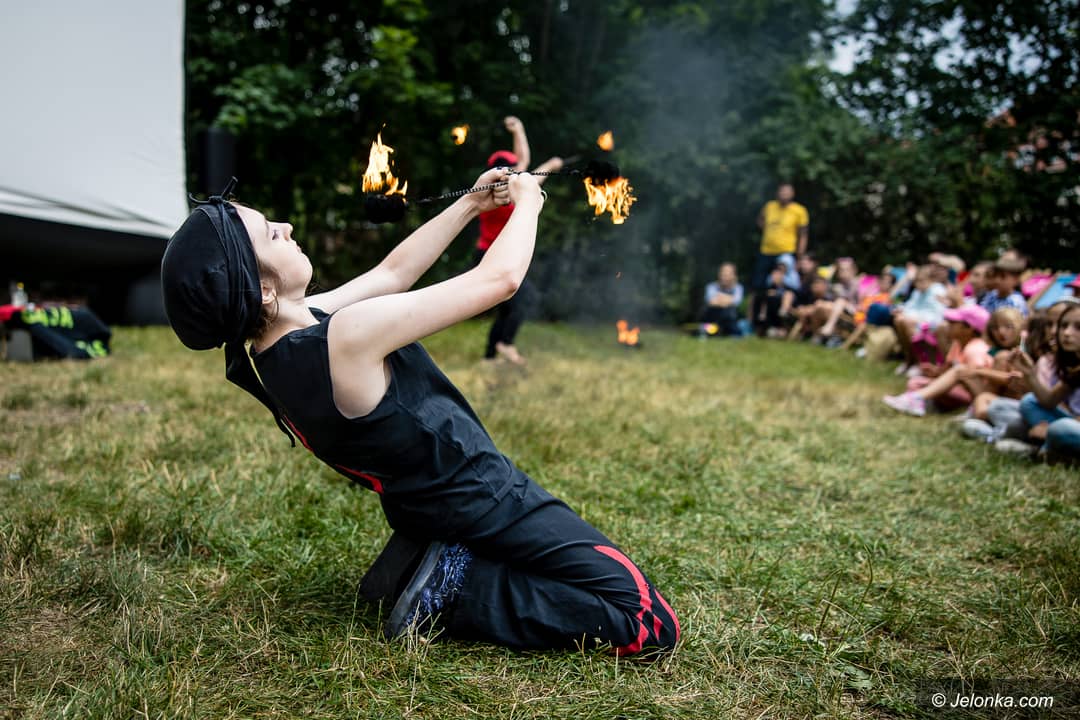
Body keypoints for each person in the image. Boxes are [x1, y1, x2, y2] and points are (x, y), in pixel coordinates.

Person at [159, 172, 679, 655]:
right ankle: (456, 590)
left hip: (426, 507)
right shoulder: (344, 338)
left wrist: (472, 204)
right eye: (271, 234)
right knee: (646, 621)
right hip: (484, 499)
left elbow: (393, 273)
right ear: (264, 290)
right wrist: (528, 203)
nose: (287, 227)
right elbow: (498, 281)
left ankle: (432, 557)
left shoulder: (279, 349)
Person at [475, 116, 563, 365]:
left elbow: (522, 160)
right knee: (527, 298)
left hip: (489, 253)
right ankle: (505, 343)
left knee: (506, 306)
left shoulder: (493, 184)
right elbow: (529, 177)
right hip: (494, 256)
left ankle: (489, 357)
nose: (518, 168)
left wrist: (518, 130)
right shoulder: (503, 192)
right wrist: (550, 165)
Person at [882, 304, 992, 416]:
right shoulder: (958, 344)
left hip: (972, 395)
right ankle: (919, 402)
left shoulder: (975, 350)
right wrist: (936, 371)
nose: (947, 325)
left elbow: (975, 382)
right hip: (958, 388)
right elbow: (948, 368)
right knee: (915, 382)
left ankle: (919, 401)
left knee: (922, 385)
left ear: (968, 329)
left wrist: (939, 382)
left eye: (953, 323)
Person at [1011, 303, 1080, 462]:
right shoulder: (1075, 367)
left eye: (1078, 327)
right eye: (1064, 326)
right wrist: (1029, 374)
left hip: (1070, 426)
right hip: (1072, 425)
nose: (1066, 333)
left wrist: (1048, 428)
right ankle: (1055, 450)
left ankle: (1046, 450)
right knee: (1029, 402)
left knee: (1061, 428)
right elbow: (1049, 401)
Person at [749, 183, 808, 327]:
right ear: (777, 193)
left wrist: (799, 256)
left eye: (787, 192)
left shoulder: (799, 210)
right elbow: (760, 220)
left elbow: (803, 235)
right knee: (759, 286)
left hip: (786, 252)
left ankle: (782, 320)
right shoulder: (770, 206)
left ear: (793, 194)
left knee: (783, 286)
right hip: (766, 251)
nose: (784, 194)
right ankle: (756, 321)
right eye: (782, 191)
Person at [701, 262, 744, 336]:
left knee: (730, 311)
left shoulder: (738, 288)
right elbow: (711, 302)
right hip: (712, 318)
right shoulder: (711, 286)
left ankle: (729, 332)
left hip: (730, 319)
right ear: (719, 275)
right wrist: (728, 300)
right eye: (723, 274)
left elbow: (736, 302)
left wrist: (720, 297)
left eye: (728, 274)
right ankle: (709, 332)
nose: (725, 277)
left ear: (733, 276)